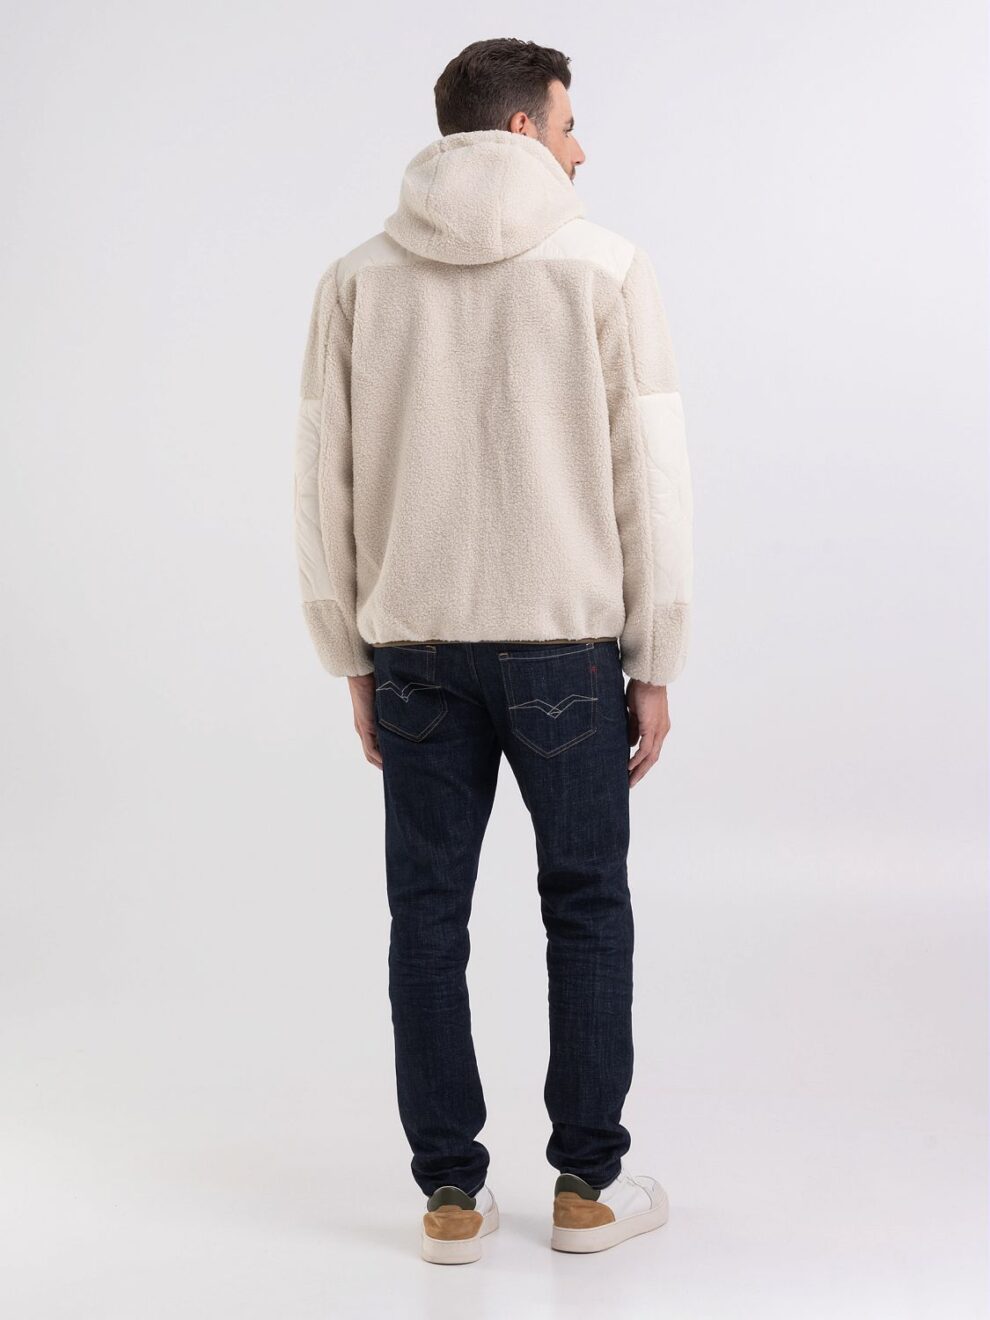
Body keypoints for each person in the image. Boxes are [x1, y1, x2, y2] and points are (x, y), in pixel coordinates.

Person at [292, 37, 693, 1264]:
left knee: (426, 918)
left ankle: (451, 1202)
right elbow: (650, 478)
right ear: (521, 129)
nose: (581, 148)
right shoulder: (604, 267)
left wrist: (349, 654)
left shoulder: (358, 279)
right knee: (587, 908)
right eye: (569, 124)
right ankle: (587, 1190)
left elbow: (322, 481)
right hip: (566, 650)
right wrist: (655, 656)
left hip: (414, 649)